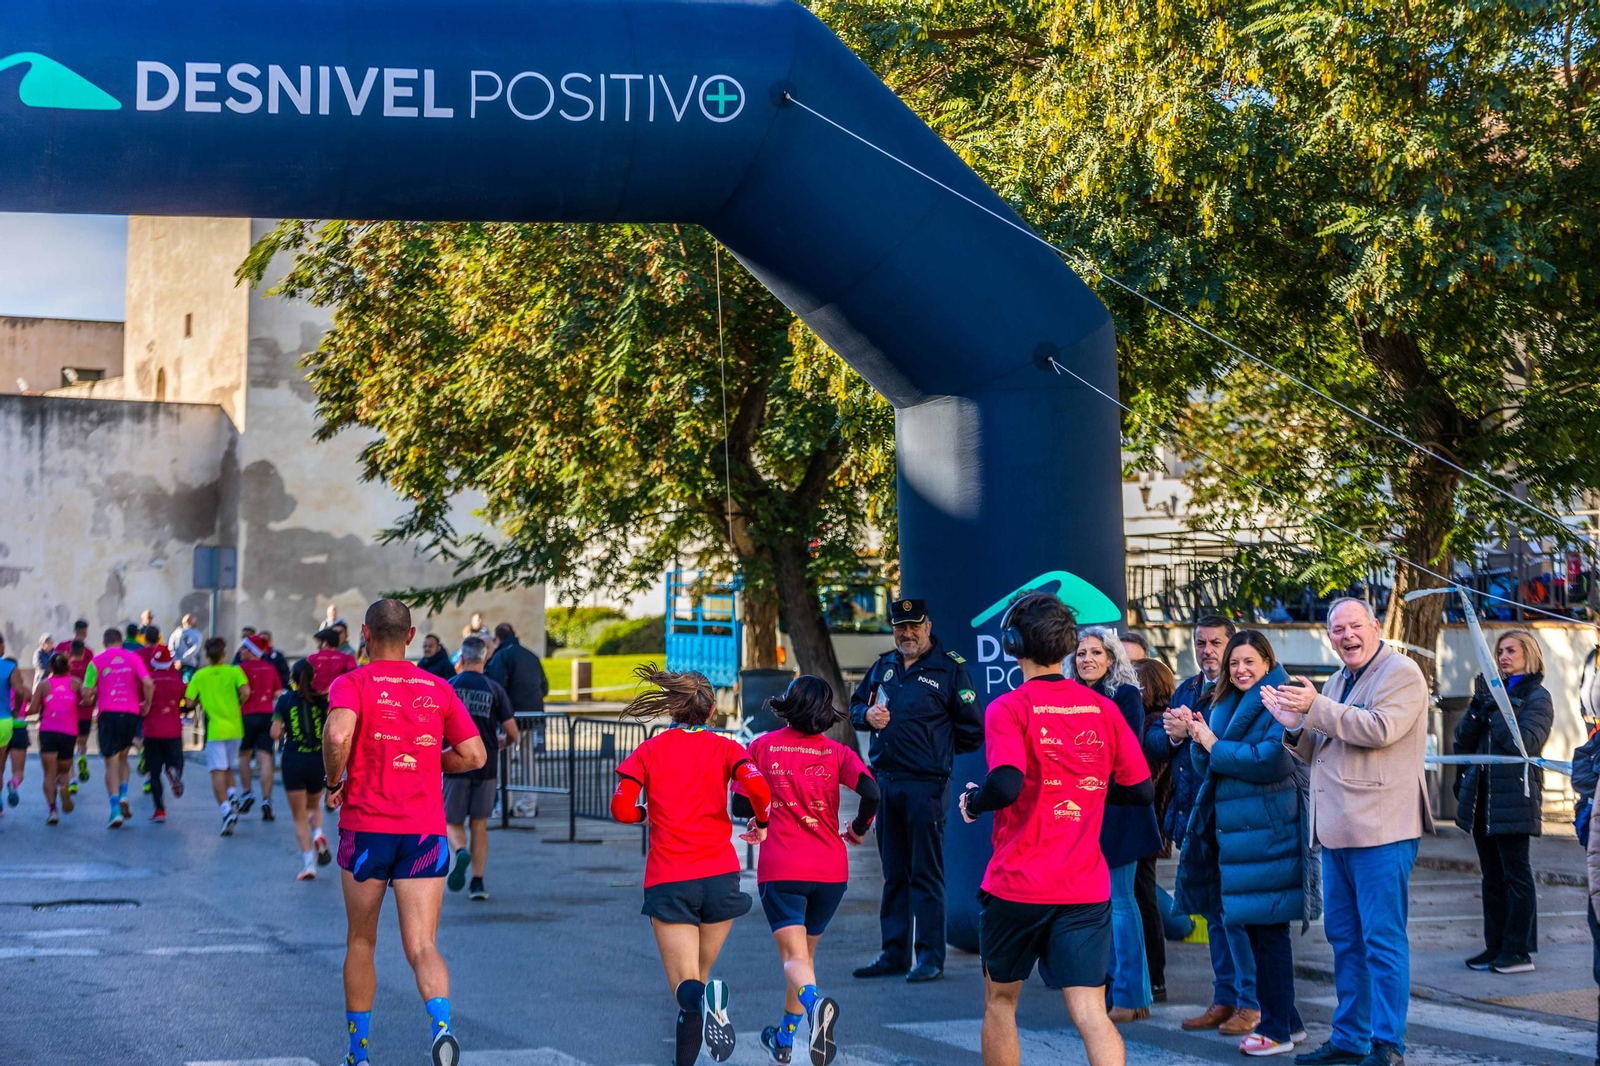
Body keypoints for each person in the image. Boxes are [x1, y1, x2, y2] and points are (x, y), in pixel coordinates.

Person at [956, 592, 1153, 1066]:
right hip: (1085, 886)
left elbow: (1004, 783)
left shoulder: (1009, 706)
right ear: (1067, 646)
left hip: (1018, 886)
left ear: (1012, 643)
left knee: (1001, 1002)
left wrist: (973, 802)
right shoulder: (1101, 708)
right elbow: (1140, 790)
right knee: (1089, 1010)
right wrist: (1087, 792)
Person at [1263, 597, 1430, 1066]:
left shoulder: (1401, 672)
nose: (1347, 636)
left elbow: (1379, 729)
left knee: (1382, 940)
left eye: (1355, 626)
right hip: (1337, 831)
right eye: (1338, 630)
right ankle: (1351, 1038)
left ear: (1375, 627)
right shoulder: (1339, 679)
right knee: (1344, 939)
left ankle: (1387, 1046)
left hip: (1383, 830)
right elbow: (1316, 747)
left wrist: (1315, 708)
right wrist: (1293, 725)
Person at [323, 598, 486, 1066]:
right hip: (424, 832)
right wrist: (430, 759)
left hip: (366, 829)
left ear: (365, 634)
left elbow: (337, 736)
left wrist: (335, 782)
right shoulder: (438, 687)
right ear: (411, 636)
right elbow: (475, 755)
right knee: (423, 945)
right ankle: (441, 1029)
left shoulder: (352, 682)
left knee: (361, 941)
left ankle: (359, 1055)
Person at [611, 665, 771, 1066]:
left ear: (671, 708)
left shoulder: (649, 750)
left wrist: (643, 812)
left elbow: (620, 808)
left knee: (686, 987)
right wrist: (762, 823)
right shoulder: (728, 748)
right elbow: (759, 788)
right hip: (720, 878)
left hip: (671, 879)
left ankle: (708, 1000)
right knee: (696, 985)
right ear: (712, 710)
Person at [1175, 630, 1314, 1056]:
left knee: (1269, 934)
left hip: (1268, 831)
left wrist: (1214, 745)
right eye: (1235, 663)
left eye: (1249, 662)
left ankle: (1275, 1030)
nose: (1240, 670)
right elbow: (1212, 766)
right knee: (1255, 931)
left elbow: (1272, 759)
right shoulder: (1222, 702)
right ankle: (1288, 1020)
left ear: (1268, 662)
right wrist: (1199, 738)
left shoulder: (1281, 696)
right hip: (1236, 834)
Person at [848, 597, 983, 982]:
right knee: (894, 873)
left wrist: (934, 747)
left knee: (925, 873)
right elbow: (856, 707)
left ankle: (929, 957)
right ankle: (893, 953)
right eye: (899, 627)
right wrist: (867, 715)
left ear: (928, 626)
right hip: (886, 783)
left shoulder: (950, 669)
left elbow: (972, 729)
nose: (906, 633)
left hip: (927, 785)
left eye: (914, 626)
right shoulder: (884, 666)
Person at [748, 675, 880, 1066]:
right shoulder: (837, 753)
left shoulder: (762, 747)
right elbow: (872, 792)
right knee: (803, 959)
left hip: (782, 868)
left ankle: (815, 1005)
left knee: (793, 959)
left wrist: (758, 821)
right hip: (830, 872)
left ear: (788, 705)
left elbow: (743, 804)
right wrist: (857, 830)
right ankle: (784, 1039)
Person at [1146, 615, 1259, 1033]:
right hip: (1196, 818)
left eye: (1215, 643)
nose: (1207, 650)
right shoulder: (1187, 689)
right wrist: (1175, 735)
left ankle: (1251, 1001)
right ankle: (1224, 998)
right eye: (1200, 643)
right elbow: (1156, 745)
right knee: (1213, 914)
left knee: (1238, 916)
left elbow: (1246, 754)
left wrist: (1201, 734)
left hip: (1235, 818)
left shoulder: (1242, 691)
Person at [1071, 626, 1161, 1022]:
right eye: (1080, 653)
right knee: (1101, 905)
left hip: (1121, 808)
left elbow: (1120, 751)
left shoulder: (1125, 695)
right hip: (1088, 811)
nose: (1087, 658)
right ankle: (1113, 989)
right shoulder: (1072, 697)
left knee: (1122, 903)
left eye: (1095, 652)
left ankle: (1132, 995)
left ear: (1111, 658)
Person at [1454, 629, 1554, 974]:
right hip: (1483, 797)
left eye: (1511, 651)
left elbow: (1523, 743)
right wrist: (1477, 709)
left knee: (1516, 875)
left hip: (1514, 796)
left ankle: (1518, 950)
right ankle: (1494, 945)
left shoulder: (1538, 698)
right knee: (1491, 876)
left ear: (1529, 654)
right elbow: (1462, 741)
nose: (1503, 658)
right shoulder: (1494, 695)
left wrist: (1497, 706)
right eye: (1500, 652)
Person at [445, 636, 518, 901]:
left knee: (452, 821)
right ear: (485, 658)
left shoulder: (449, 687)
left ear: (461, 658)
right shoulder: (494, 688)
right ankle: (477, 882)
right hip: (486, 764)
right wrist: (504, 742)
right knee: (479, 823)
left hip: (454, 763)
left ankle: (460, 851)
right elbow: (512, 731)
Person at [1132, 657, 1177, 1002]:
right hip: (1150, 826)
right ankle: (1152, 976)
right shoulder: (1158, 722)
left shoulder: (1154, 725)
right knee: (1141, 897)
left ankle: (1154, 977)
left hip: (1145, 826)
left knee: (1142, 899)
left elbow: (1142, 777)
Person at [84, 626, 154, 829]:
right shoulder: (133, 658)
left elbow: (87, 692)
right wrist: (147, 704)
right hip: (130, 714)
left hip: (108, 714)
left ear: (105, 643)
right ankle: (124, 794)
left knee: (111, 762)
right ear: (121, 641)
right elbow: (148, 683)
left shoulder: (95, 662)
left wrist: (90, 696)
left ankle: (115, 809)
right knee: (123, 756)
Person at [272, 658, 333, 880]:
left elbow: (275, 733)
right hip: (317, 760)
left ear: (292, 679)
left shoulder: (285, 700)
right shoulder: (322, 701)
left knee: (298, 816)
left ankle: (309, 864)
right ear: (313, 677)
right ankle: (318, 833)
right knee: (313, 805)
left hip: (293, 760)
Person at [185, 637, 251, 836]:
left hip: (215, 729)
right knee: (227, 767)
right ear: (224, 653)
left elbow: (188, 702)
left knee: (217, 772)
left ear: (206, 655)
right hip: (235, 727)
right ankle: (232, 794)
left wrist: (201, 701)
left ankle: (226, 811)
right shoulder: (234, 671)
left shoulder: (200, 675)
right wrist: (237, 704)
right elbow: (246, 691)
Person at [28, 653, 83, 824]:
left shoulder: (43, 685)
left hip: (48, 731)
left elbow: (33, 709)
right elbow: (87, 701)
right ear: (68, 667)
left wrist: (20, 710)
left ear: (50, 667)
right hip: (69, 731)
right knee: (64, 770)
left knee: (49, 774)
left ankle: (53, 811)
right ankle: (64, 787)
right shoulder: (75, 683)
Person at [236, 636, 284, 820]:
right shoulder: (271, 668)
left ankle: (247, 793)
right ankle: (267, 799)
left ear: (251, 651)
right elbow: (278, 693)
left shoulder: (240, 669)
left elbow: (241, 691)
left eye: (244, 649)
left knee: (244, 755)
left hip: (246, 716)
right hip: (267, 716)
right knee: (265, 758)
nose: (240, 652)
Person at [142, 646, 188, 823]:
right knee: (176, 760)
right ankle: (173, 770)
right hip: (173, 729)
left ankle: (159, 809)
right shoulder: (177, 680)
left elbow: (142, 702)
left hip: (152, 730)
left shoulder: (148, 681)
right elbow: (188, 699)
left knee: (153, 773)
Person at [61, 622, 96, 788]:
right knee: (82, 743)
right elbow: (92, 683)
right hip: (86, 709)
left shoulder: (65, 664)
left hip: (69, 710)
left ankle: (72, 780)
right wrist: (91, 698)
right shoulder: (89, 659)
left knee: (68, 747)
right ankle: (82, 756)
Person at [1, 637, 30, 809]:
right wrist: (18, 710)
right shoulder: (22, 688)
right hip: (17, 727)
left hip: (2, 722)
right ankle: (14, 783)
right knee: (18, 770)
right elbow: (31, 701)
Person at [309, 627, 360, 694]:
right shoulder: (348, 658)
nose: (317, 646)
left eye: (318, 642)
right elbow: (354, 677)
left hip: (315, 699)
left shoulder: (312, 659)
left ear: (325, 643)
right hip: (339, 698)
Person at [168, 613, 205, 679]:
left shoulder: (174, 634)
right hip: (189, 665)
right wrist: (182, 660)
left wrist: (176, 660)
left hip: (175, 666)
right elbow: (194, 650)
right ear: (191, 621)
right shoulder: (197, 634)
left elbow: (170, 648)